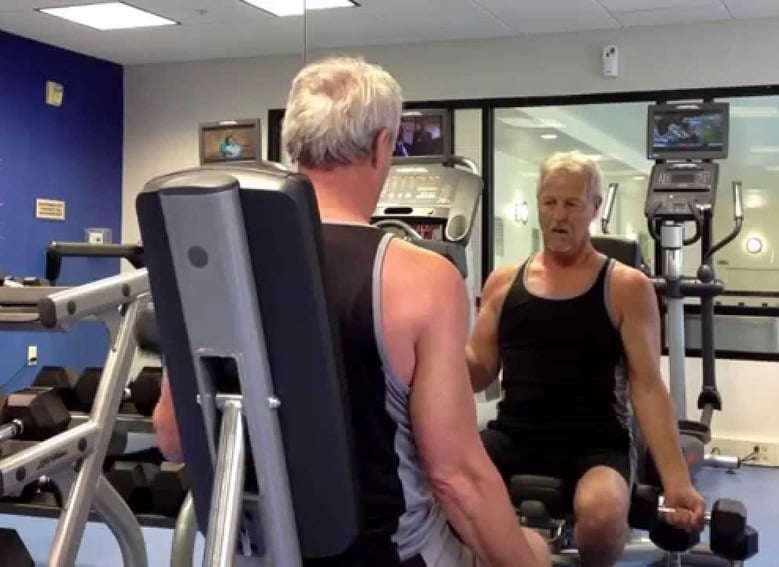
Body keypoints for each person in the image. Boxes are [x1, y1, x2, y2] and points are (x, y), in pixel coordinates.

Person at [152, 56, 549, 567]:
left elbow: (173, 438)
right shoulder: (422, 279)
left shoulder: (213, 267)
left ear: (293, 144)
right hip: (389, 555)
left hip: (256, 555)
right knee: (535, 549)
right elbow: (457, 479)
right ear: (383, 145)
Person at [466, 151, 706, 567]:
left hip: (597, 443)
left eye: (572, 204)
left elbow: (648, 386)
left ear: (594, 207)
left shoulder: (626, 287)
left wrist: (677, 483)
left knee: (602, 514)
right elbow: (479, 369)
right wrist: (428, 347)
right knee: (448, 488)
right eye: (549, 202)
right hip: (513, 435)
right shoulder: (503, 282)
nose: (559, 215)